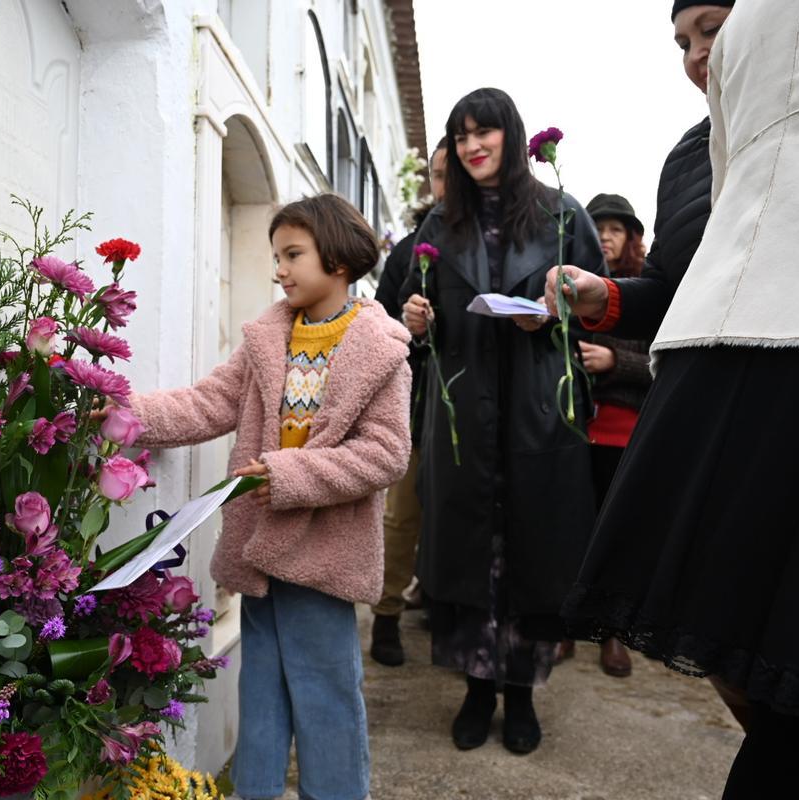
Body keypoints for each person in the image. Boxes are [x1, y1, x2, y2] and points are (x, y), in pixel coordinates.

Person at [549, 1, 799, 796]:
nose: (696, 54)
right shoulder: (692, 153)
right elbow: (689, 277)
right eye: (682, 42)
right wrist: (603, 296)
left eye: (711, 29)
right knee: (760, 672)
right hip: (737, 373)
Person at [124, 194, 411, 800]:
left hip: (324, 553)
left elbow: (386, 454)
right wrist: (127, 416)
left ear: (337, 260)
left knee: (325, 692)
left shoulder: (381, 349)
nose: (279, 269)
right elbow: (207, 403)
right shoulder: (268, 338)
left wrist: (286, 475)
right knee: (262, 689)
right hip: (258, 547)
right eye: (276, 256)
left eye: (293, 254)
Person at [399, 87, 606, 754]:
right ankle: (476, 689)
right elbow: (417, 319)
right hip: (463, 409)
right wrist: (418, 322)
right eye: (460, 136)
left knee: (530, 552)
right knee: (471, 557)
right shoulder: (438, 225)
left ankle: (520, 694)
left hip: (537, 404)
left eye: (483, 131)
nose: (470, 145)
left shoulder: (562, 214)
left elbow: (600, 306)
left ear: (512, 138)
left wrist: (562, 307)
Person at [554, 193, 651, 678]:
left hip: (625, 430)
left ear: (631, 237)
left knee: (618, 532)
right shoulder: (569, 285)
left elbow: (664, 360)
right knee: (571, 525)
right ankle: (568, 626)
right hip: (575, 425)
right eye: (600, 227)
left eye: (617, 228)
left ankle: (613, 632)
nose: (607, 236)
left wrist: (617, 361)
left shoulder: (650, 289)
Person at [369, 136, 448, 667]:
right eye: (439, 173)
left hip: (474, 408)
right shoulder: (412, 245)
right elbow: (378, 325)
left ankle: (449, 607)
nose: (447, 184)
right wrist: (410, 326)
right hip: (417, 403)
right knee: (403, 515)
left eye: (454, 172)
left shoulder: (499, 244)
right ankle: (387, 615)